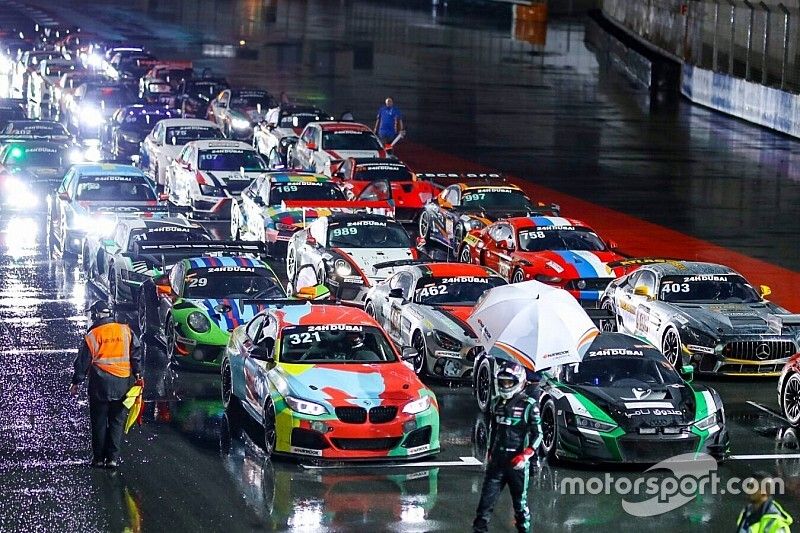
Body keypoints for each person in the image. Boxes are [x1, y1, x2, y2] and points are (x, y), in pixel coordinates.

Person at [70, 300, 142, 468]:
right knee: (117, 421)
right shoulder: (126, 331)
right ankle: (113, 459)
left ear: (96, 315)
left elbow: (83, 362)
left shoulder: (93, 335)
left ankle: (98, 458)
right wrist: (138, 375)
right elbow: (136, 354)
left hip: (99, 384)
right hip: (122, 383)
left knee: (99, 421)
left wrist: (76, 382)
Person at [473, 362, 541, 533]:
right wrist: (489, 451)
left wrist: (526, 455)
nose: (506, 385)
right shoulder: (496, 403)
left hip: (517, 465)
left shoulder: (529, 405)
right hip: (496, 462)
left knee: (520, 506)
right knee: (484, 507)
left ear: (519, 382)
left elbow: (538, 434)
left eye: (509, 382)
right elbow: (493, 429)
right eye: (503, 382)